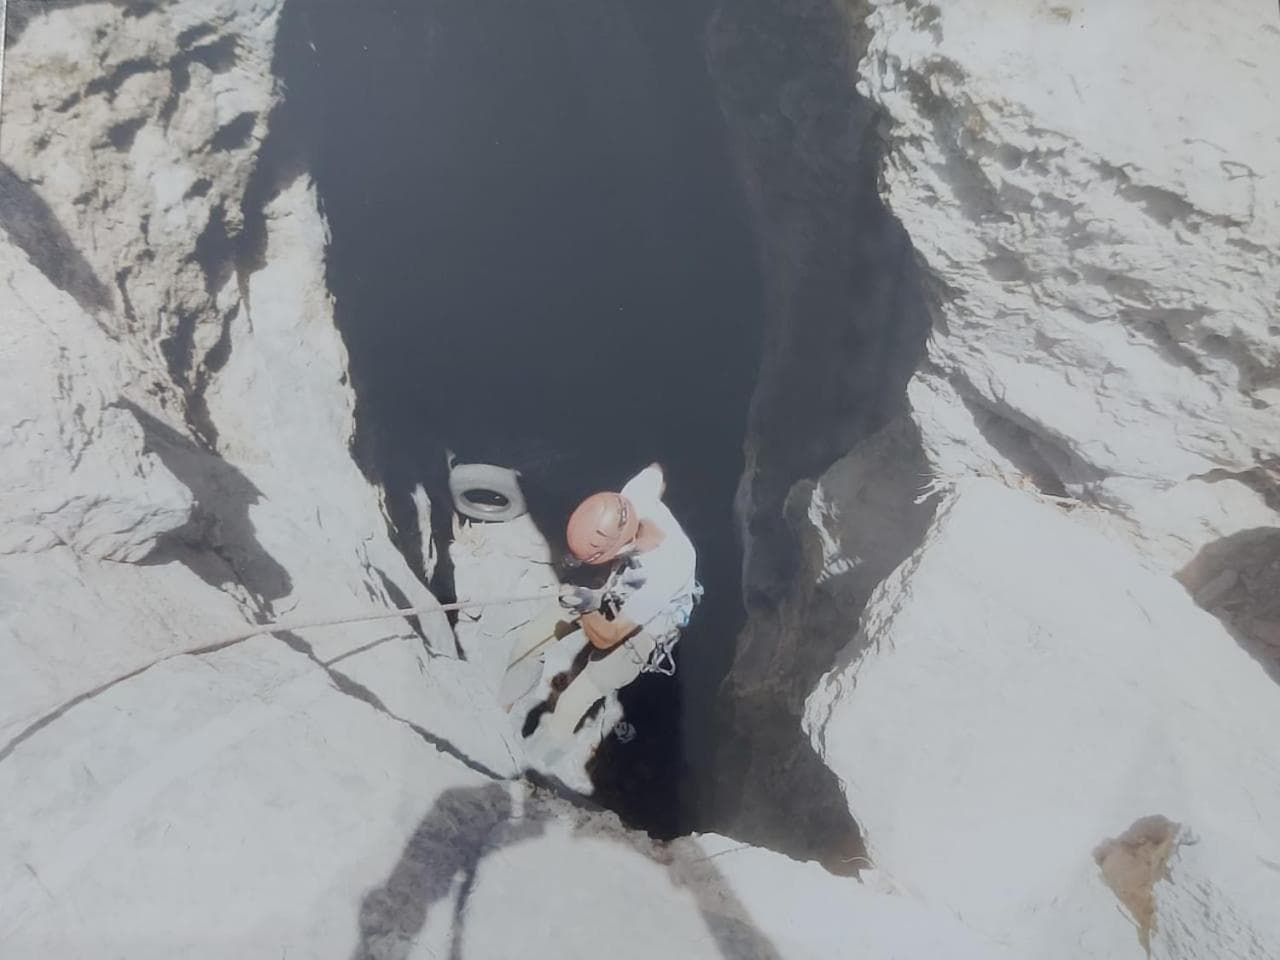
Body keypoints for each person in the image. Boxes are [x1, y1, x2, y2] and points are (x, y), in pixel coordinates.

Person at [524, 462, 700, 756]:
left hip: (648, 626)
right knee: (534, 638)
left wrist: (586, 607)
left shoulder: (667, 571)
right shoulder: (632, 499)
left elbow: (606, 637)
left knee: (573, 700)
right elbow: (658, 469)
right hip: (622, 583)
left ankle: (538, 767)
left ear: (625, 545)